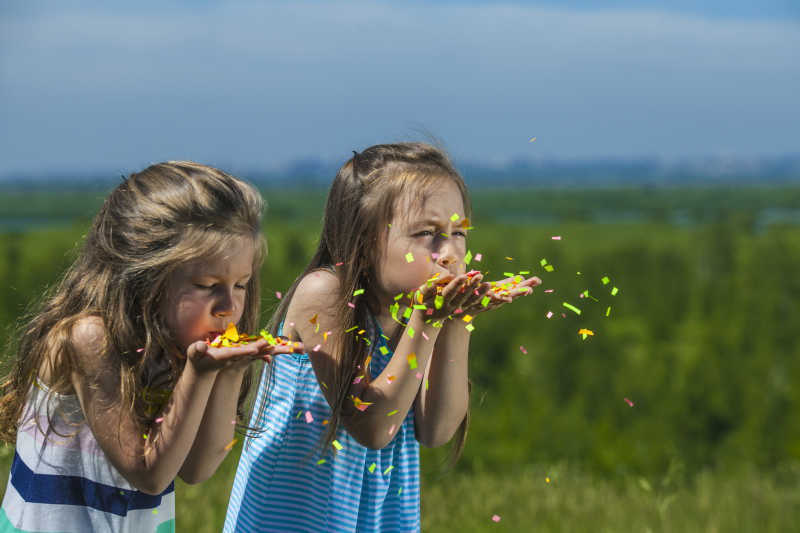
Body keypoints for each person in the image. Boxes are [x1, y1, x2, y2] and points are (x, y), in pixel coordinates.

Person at [224, 142, 541, 532]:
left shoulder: (414, 316)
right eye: (427, 233)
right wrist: (427, 321)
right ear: (364, 240)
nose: (450, 253)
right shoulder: (324, 294)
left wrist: (456, 321)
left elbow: (437, 430)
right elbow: (373, 427)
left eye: (458, 232)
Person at [0, 162, 302, 533]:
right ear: (146, 276)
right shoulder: (91, 338)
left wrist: (230, 371)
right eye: (208, 285)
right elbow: (151, 474)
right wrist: (199, 373)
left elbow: (196, 469)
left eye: (241, 284)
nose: (229, 306)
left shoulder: (173, 344)